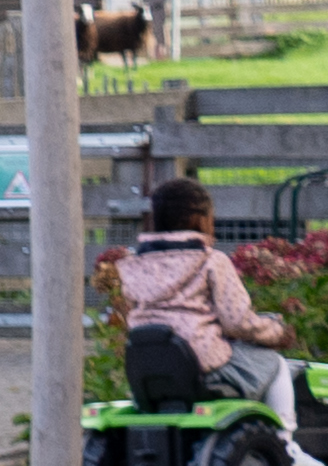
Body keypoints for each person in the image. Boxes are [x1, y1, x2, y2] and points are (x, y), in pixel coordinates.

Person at [115, 176, 295, 424]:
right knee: (274, 365)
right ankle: (285, 441)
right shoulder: (211, 260)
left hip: (147, 369)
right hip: (203, 368)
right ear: (202, 220)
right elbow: (237, 322)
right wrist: (276, 331)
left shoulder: (135, 264)